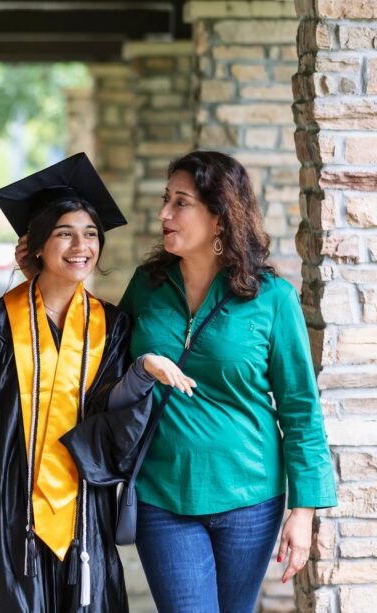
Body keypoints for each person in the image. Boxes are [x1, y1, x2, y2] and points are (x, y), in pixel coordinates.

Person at [0, 153, 192, 612]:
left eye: (91, 234)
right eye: (65, 233)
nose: (81, 245)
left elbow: (113, 416)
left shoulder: (114, 327)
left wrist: (141, 373)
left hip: (85, 513)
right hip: (9, 514)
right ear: (37, 244)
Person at [117, 151, 336, 613]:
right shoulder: (146, 286)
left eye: (181, 202)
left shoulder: (272, 298)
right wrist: (43, 273)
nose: (164, 214)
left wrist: (304, 510)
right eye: (165, 199)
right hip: (162, 493)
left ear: (220, 217)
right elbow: (97, 356)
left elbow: (299, 404)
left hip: (251, 499)